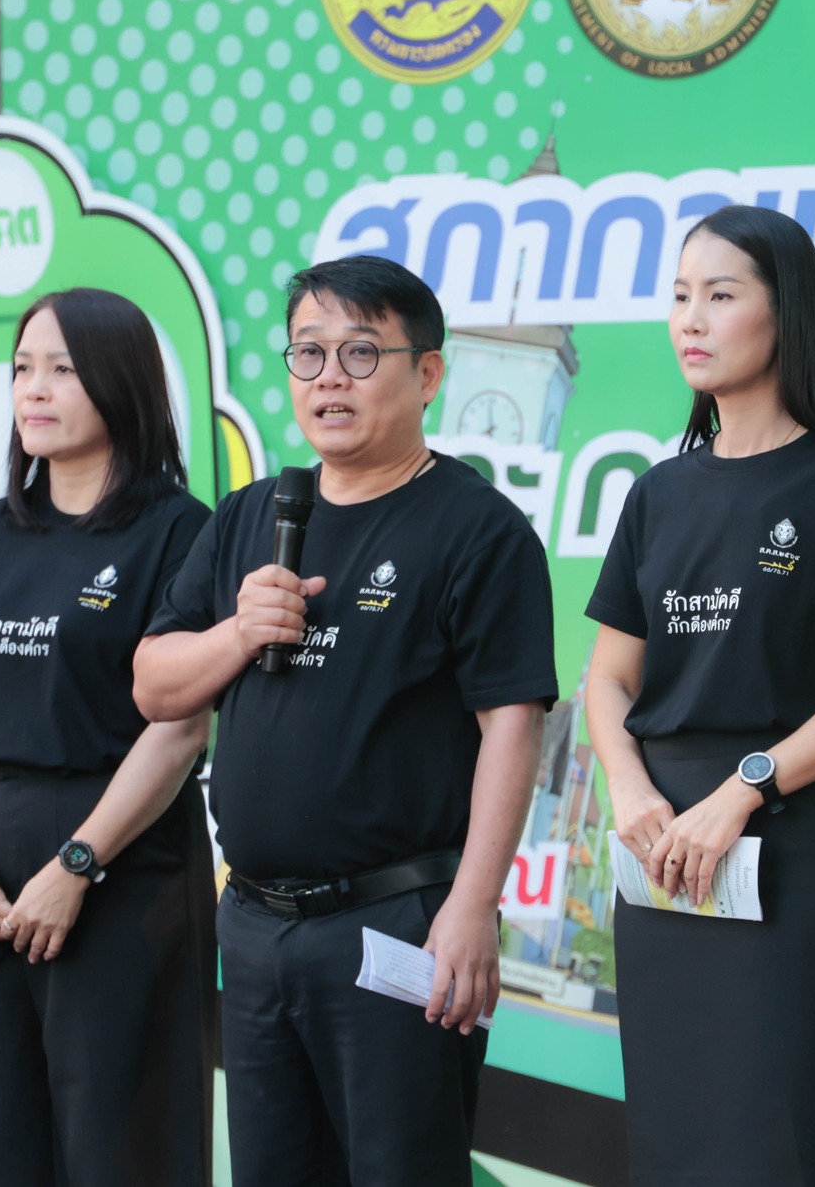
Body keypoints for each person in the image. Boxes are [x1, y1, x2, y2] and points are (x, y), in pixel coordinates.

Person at [132, 255, 556, 1186]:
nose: (330, 377)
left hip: (397, 925)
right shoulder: (251, 515)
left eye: (361, 353)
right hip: (254, 924)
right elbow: (156, 687)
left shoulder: (479, 531)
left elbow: (511, 728)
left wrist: (473, 906)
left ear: (428, 373)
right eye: (309, 352)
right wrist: (239, 631)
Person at [583, 205, 815, 1186]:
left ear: (787, 314)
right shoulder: (658, 491)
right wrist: (629, 791)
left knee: (784, 1143)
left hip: (797, 848)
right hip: (664, 859)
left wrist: (746, 787)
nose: (690, 319)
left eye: (720, 294)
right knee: (675, 1141)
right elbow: (607, 677)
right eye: (678, 296)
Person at [0, 287, 217, 1187]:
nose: (33, 389)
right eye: (22, 368)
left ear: (120, 383)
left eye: (63, 369)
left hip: (120, 868)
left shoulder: (179, 531)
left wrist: (78, 863)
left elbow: (179, 727)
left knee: (124, 1150)